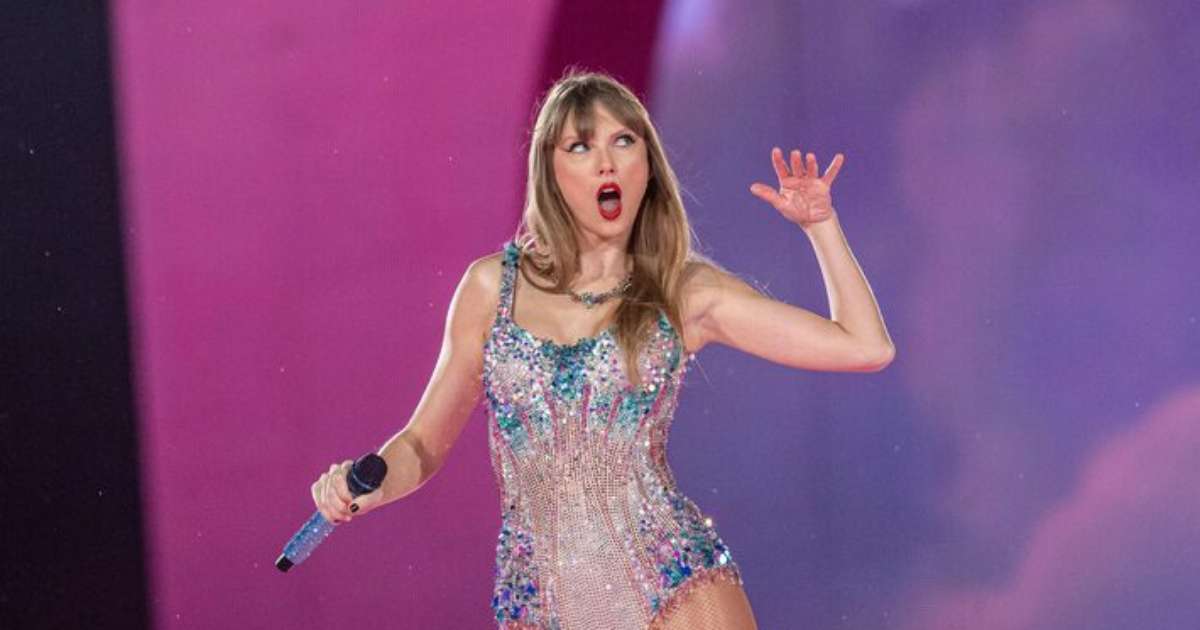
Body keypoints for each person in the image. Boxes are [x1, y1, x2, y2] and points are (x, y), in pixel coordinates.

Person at [310, 69, 894, 629]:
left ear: (647, 167)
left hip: (673, 585)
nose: (606, 162)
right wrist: (367, 487)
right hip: (539, 602)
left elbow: (864, 346)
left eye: (623, 141)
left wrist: (821, 225)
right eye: (581, 146)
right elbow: (421, 444)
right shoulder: (491, 289)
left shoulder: (683, 291)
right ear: (551, 170)